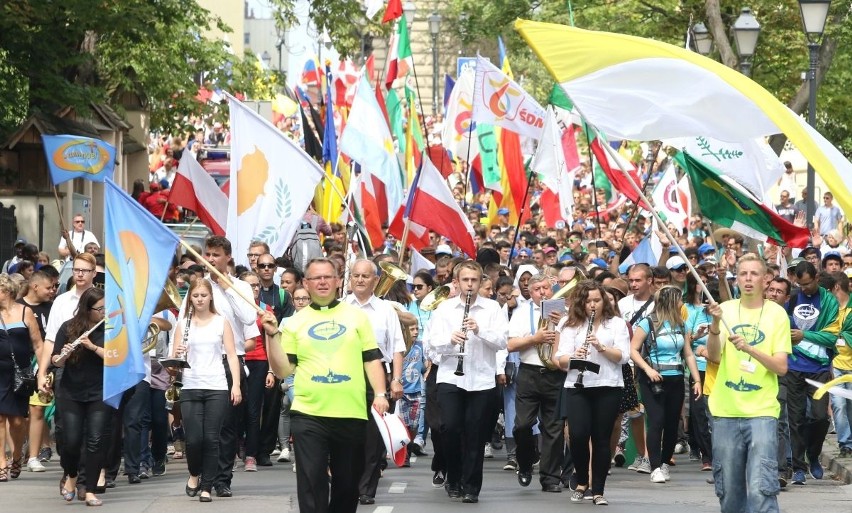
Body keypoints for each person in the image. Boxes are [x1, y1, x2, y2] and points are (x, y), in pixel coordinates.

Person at [265, 257, 389, 513]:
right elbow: (283, 369)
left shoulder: (357, 318)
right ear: (306, 284)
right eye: (315, 278)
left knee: (347, 485)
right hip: (309, 414)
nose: (322, 282)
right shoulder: (295, 322)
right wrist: (271, 337)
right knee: (312, 481)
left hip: (351, 413)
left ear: (337, 281)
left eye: (327, 277)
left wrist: (380, 393)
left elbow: (372, 359)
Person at [706, 253, 791, 513]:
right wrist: (715, 323)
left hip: (762, 413)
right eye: (743, 274)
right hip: (725, 411)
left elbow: (781, 367)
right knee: (729, 491)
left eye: (754, 273)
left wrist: (751, 349)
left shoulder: (777, 315)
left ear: (766, 279)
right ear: (737, 278)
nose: (748, 279)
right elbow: (714, 356)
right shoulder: (727, 309)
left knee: (761, 488)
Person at [177, 236, 258, 498]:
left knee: (226, 428)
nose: (210, 260)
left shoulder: (241, 287)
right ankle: (200, 473)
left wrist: (226, 289)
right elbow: (183, 320)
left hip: (230, 360)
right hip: (199, 363)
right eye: (208, 255)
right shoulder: (198, 287)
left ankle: (221, 479)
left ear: (228, 258)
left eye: (216, 255)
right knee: (199, 433)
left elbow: (248, 318)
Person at [428, 260, 508, 503]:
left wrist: (479, 330)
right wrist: (450, 340)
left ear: (481, 281)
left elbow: (502, 342)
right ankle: (454, 478)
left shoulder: (493, 308)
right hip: (451, 376)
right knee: (450, 429)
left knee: (475, 434)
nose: (470, 285)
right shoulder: (444, 309)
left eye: (474, 280)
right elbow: (432, 344)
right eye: (465, 280)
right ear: (457, 282)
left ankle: (471, 486)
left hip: (482, 379)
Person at [554, 280, 630, 506]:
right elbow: (561, 359)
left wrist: (601, 347)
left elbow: (623, 357)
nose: (592, 305)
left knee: (601, 439)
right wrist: (575, 355)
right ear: (581, 303)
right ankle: (581, 479)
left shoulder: (616, 324)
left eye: (597, 300)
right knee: (577, 435)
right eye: (588, 301)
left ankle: (598, 489)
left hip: (608, 385)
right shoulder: (570, 325)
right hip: (578, 386)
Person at [173, 278, 242, 502]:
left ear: (210, 296)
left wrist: (236, 385)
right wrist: (179, 353)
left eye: (204, 295)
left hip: (216, 385)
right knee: (194, 439)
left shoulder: (221, 322)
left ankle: (207, 485)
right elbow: (174, 362)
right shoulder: (183, 324)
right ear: (190, 298)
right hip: (191, 384)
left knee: (212, 438)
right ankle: (194, 473)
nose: (200, 299)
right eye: (195, 296)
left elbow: (232, 355)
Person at [344, 259, 404, 505]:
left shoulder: (386, 310)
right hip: (345, 376)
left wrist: (396, 380)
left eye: (365, 276)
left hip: (378, 375)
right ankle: (347, 482)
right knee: (348, 435)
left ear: (375, 280)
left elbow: (397, 347)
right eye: (355, 275)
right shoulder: (340, 307)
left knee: (372, 438)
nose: (359, 280)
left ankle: (367, 488)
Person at [630, 285, 702, 484]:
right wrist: (648, 369)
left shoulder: (681, 325)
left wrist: (696, 379)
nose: (682, 303)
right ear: (670, 301)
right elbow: (634, 350)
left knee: (672, 424)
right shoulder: (647, 323)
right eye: (679, 299)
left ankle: (663, 463)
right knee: (656, 421)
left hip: (676, 377)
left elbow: (688, 353)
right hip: (653, 378)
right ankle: (653, 466)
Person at [507, 273, 564, 492]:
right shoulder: (522, 313)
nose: (542, 292)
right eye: (537, 289)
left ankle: (550, 478)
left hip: (555, 373)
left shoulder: (564, 312)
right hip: (529, 372)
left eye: (546, 288)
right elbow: (511, 344)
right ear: (530, 293)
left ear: (552, 289)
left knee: (553, 428)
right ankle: (525, 462)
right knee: (522, 425)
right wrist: (535, 339)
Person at [784, 260, 839, 484]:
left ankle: (813, 454)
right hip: (794, 366)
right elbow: (785, 328)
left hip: (819, 369)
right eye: (800, 284)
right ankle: (799, 466)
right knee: (795, 419)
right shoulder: (794, 298)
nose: (804, 288)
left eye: (807, 284)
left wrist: (804, 335)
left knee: (819, 416)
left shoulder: (829, 302)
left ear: (816, 278)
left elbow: (831, 337)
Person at [51, 287, 106, 506]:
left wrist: (92, 347)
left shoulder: (110, 329)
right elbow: (55, 360)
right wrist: (63, 355)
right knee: (71, 442)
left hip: (100, 391)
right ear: (87, 309)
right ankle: (72, 475)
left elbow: (114, 357)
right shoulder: (69, 327)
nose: (103, 311)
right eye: (99, 308)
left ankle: (90, 489)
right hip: (71, 392)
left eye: (105, 307)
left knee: (94, 441)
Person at [0, 274, 44, 481]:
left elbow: (37, 344)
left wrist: (42, 371)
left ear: (6, 291)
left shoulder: (26, 312)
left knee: (17, 421)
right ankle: (1, 462)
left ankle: (17, 454)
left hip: (20, 374)